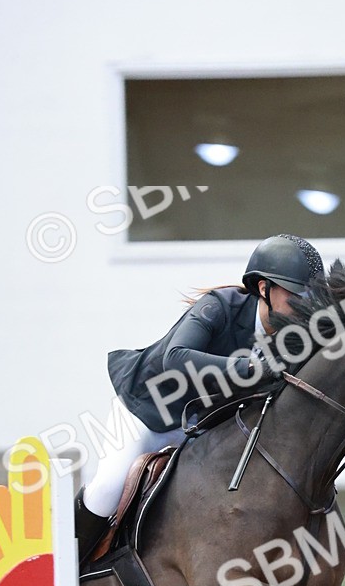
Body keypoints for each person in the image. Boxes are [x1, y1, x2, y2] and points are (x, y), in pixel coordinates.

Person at [75, 233, 325, 566]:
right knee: (107, 492)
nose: (303, 309)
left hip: (198, 431)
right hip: (145, 413)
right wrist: (252, 368)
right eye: (296, 297)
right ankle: (64, 576)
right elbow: (175, 357)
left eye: (309, 300)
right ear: (264, 289)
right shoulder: (219, 306)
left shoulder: (294, 341)